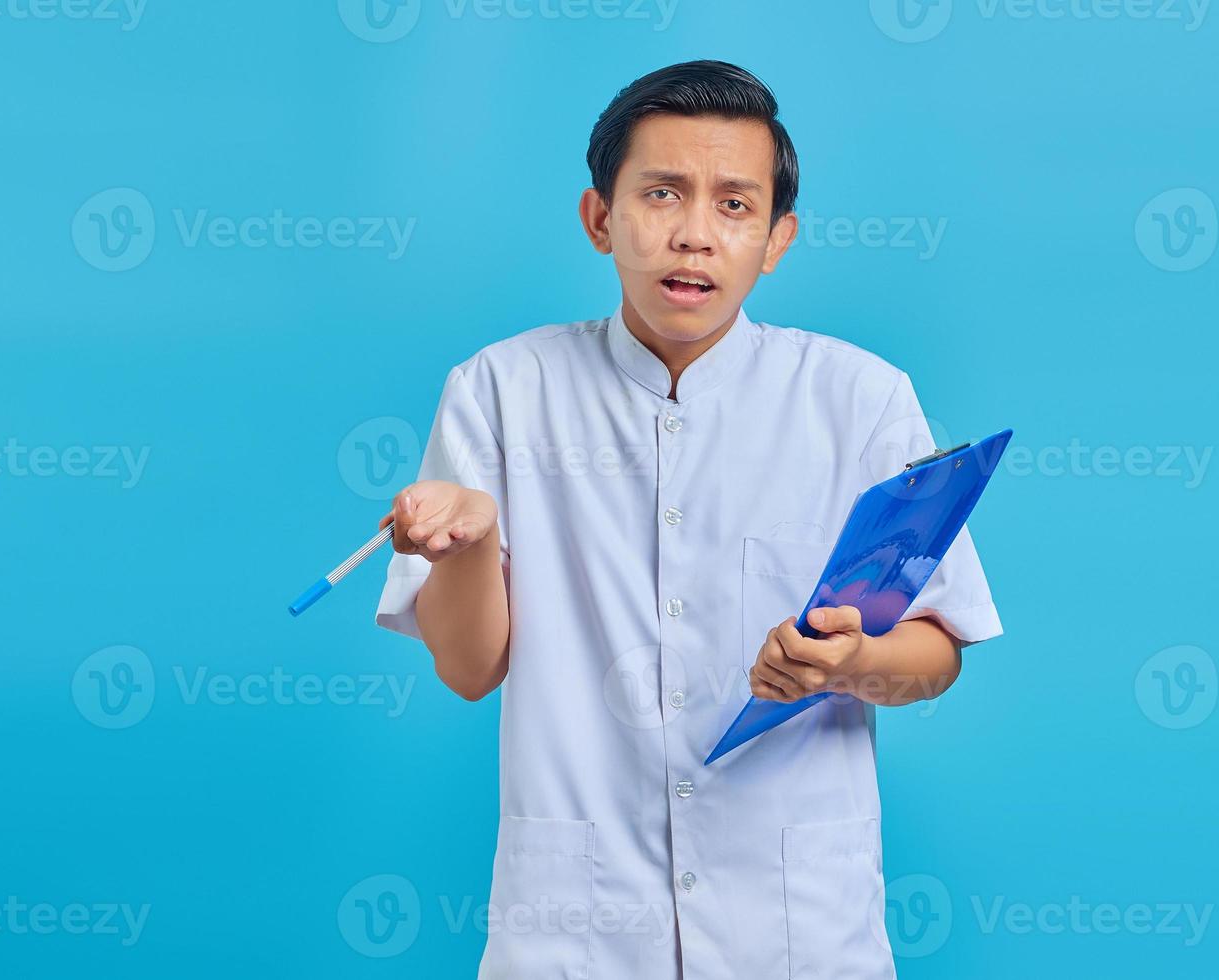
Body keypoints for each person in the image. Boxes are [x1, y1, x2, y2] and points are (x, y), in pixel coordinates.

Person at [374, 59, 1001, 980]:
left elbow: (939, 650)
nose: (695, 236)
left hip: (797, 935)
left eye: (735, 205)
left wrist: (854, 660)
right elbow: (471, 670)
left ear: (778, 237)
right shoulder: (502, 392)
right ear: (600, 218)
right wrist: (468, 547)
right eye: (661, 194)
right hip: (576, 936)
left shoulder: (859, 397)